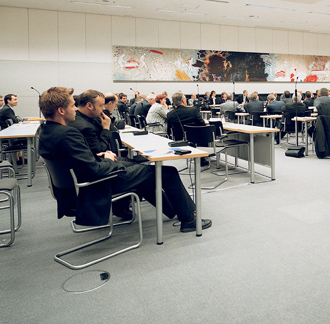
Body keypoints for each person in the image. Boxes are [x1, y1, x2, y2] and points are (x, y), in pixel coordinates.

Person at [39, 87, 211, 232]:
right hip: (96, 185)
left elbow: (86, 160)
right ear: (61, 111)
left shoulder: (47, 131)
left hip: (79, 184)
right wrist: (109, 159)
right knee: (168, 172)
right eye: (72, 106)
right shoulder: (68, 134)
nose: (75, 109)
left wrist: (105, 157)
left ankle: (175, 210)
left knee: (146, 172)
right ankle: (189, 220)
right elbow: (95, 169)